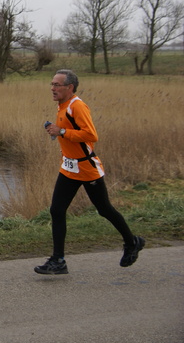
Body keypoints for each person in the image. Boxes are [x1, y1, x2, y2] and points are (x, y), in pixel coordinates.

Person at [35, 69, 144, 275]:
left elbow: (91, 135)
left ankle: (132, 242)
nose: (52, 88)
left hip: (86, 168)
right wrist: (56, 130)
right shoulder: (62, 105)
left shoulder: (77, 106)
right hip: (69, 167)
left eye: (57, 85)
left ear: (70, 87)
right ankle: (58, 261)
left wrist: (62, 131)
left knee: (104, 209)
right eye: (52, 84)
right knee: (56, 210)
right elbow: (68, 133)